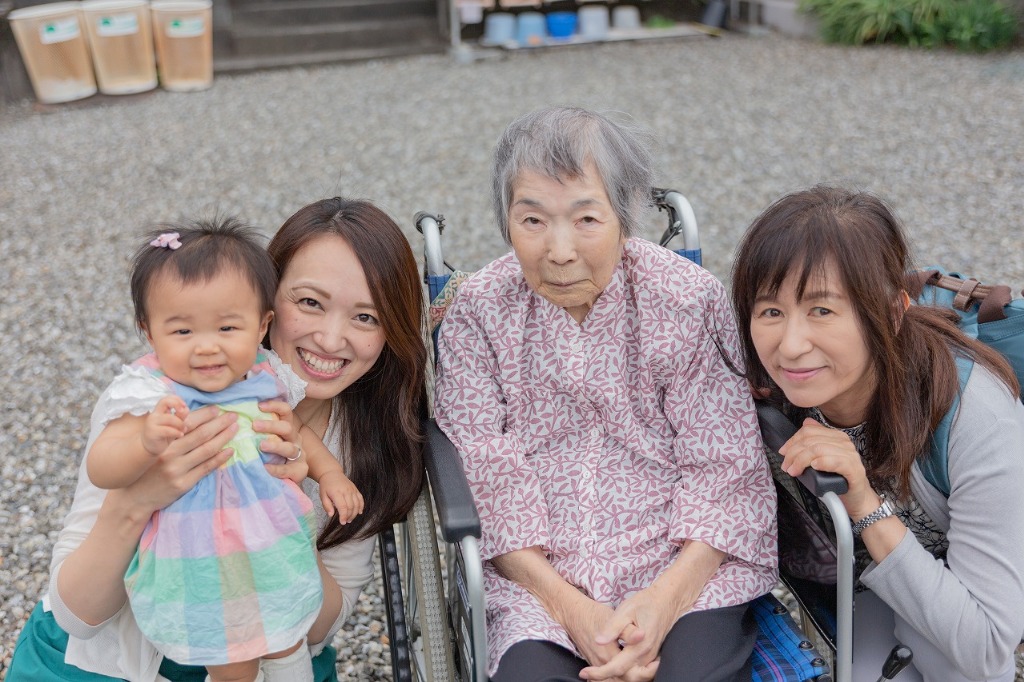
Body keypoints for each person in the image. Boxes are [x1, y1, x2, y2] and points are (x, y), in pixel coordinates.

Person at [7, 197, 427, 682]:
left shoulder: (369, 442)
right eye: (310, 303)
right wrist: (139, 498)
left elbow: (319, 630)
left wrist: (283, 516)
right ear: (268, 301)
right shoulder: (152, 401)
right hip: (110, 660)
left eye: (366, 317)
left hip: (264, 650)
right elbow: (77, 617)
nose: (331, 340)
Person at [433, 106, 778, 682]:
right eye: (532, 220)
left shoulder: (687, 300)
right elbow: (486, 479)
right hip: (538, 584)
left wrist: (662, 602)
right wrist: (574, 611)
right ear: (506, 220)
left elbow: (725, 469)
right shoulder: (478, 312)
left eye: (586, 219)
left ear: (624, 215)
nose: (559, 250)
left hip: (681, 567)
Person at [730, 185, 1024, 682]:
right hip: (875, 580)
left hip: (978, 582)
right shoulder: (763, 379)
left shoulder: (974, 415)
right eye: (771, 311)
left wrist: (864, 502)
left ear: (890, 313)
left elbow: (986, 646)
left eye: (822, 310)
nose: (791, 346)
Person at [82, 219, 364, 682]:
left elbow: (297, 433)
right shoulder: (150, 394)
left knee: (288, 640)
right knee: (233, 660)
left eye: (227, 327)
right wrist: (143, 442)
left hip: (273, 548)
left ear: (261, 325)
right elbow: (102, 466)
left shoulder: (263, 378)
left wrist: (330, 474)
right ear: (149, 332)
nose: (207, 347)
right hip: (200, 565)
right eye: (182, 332)